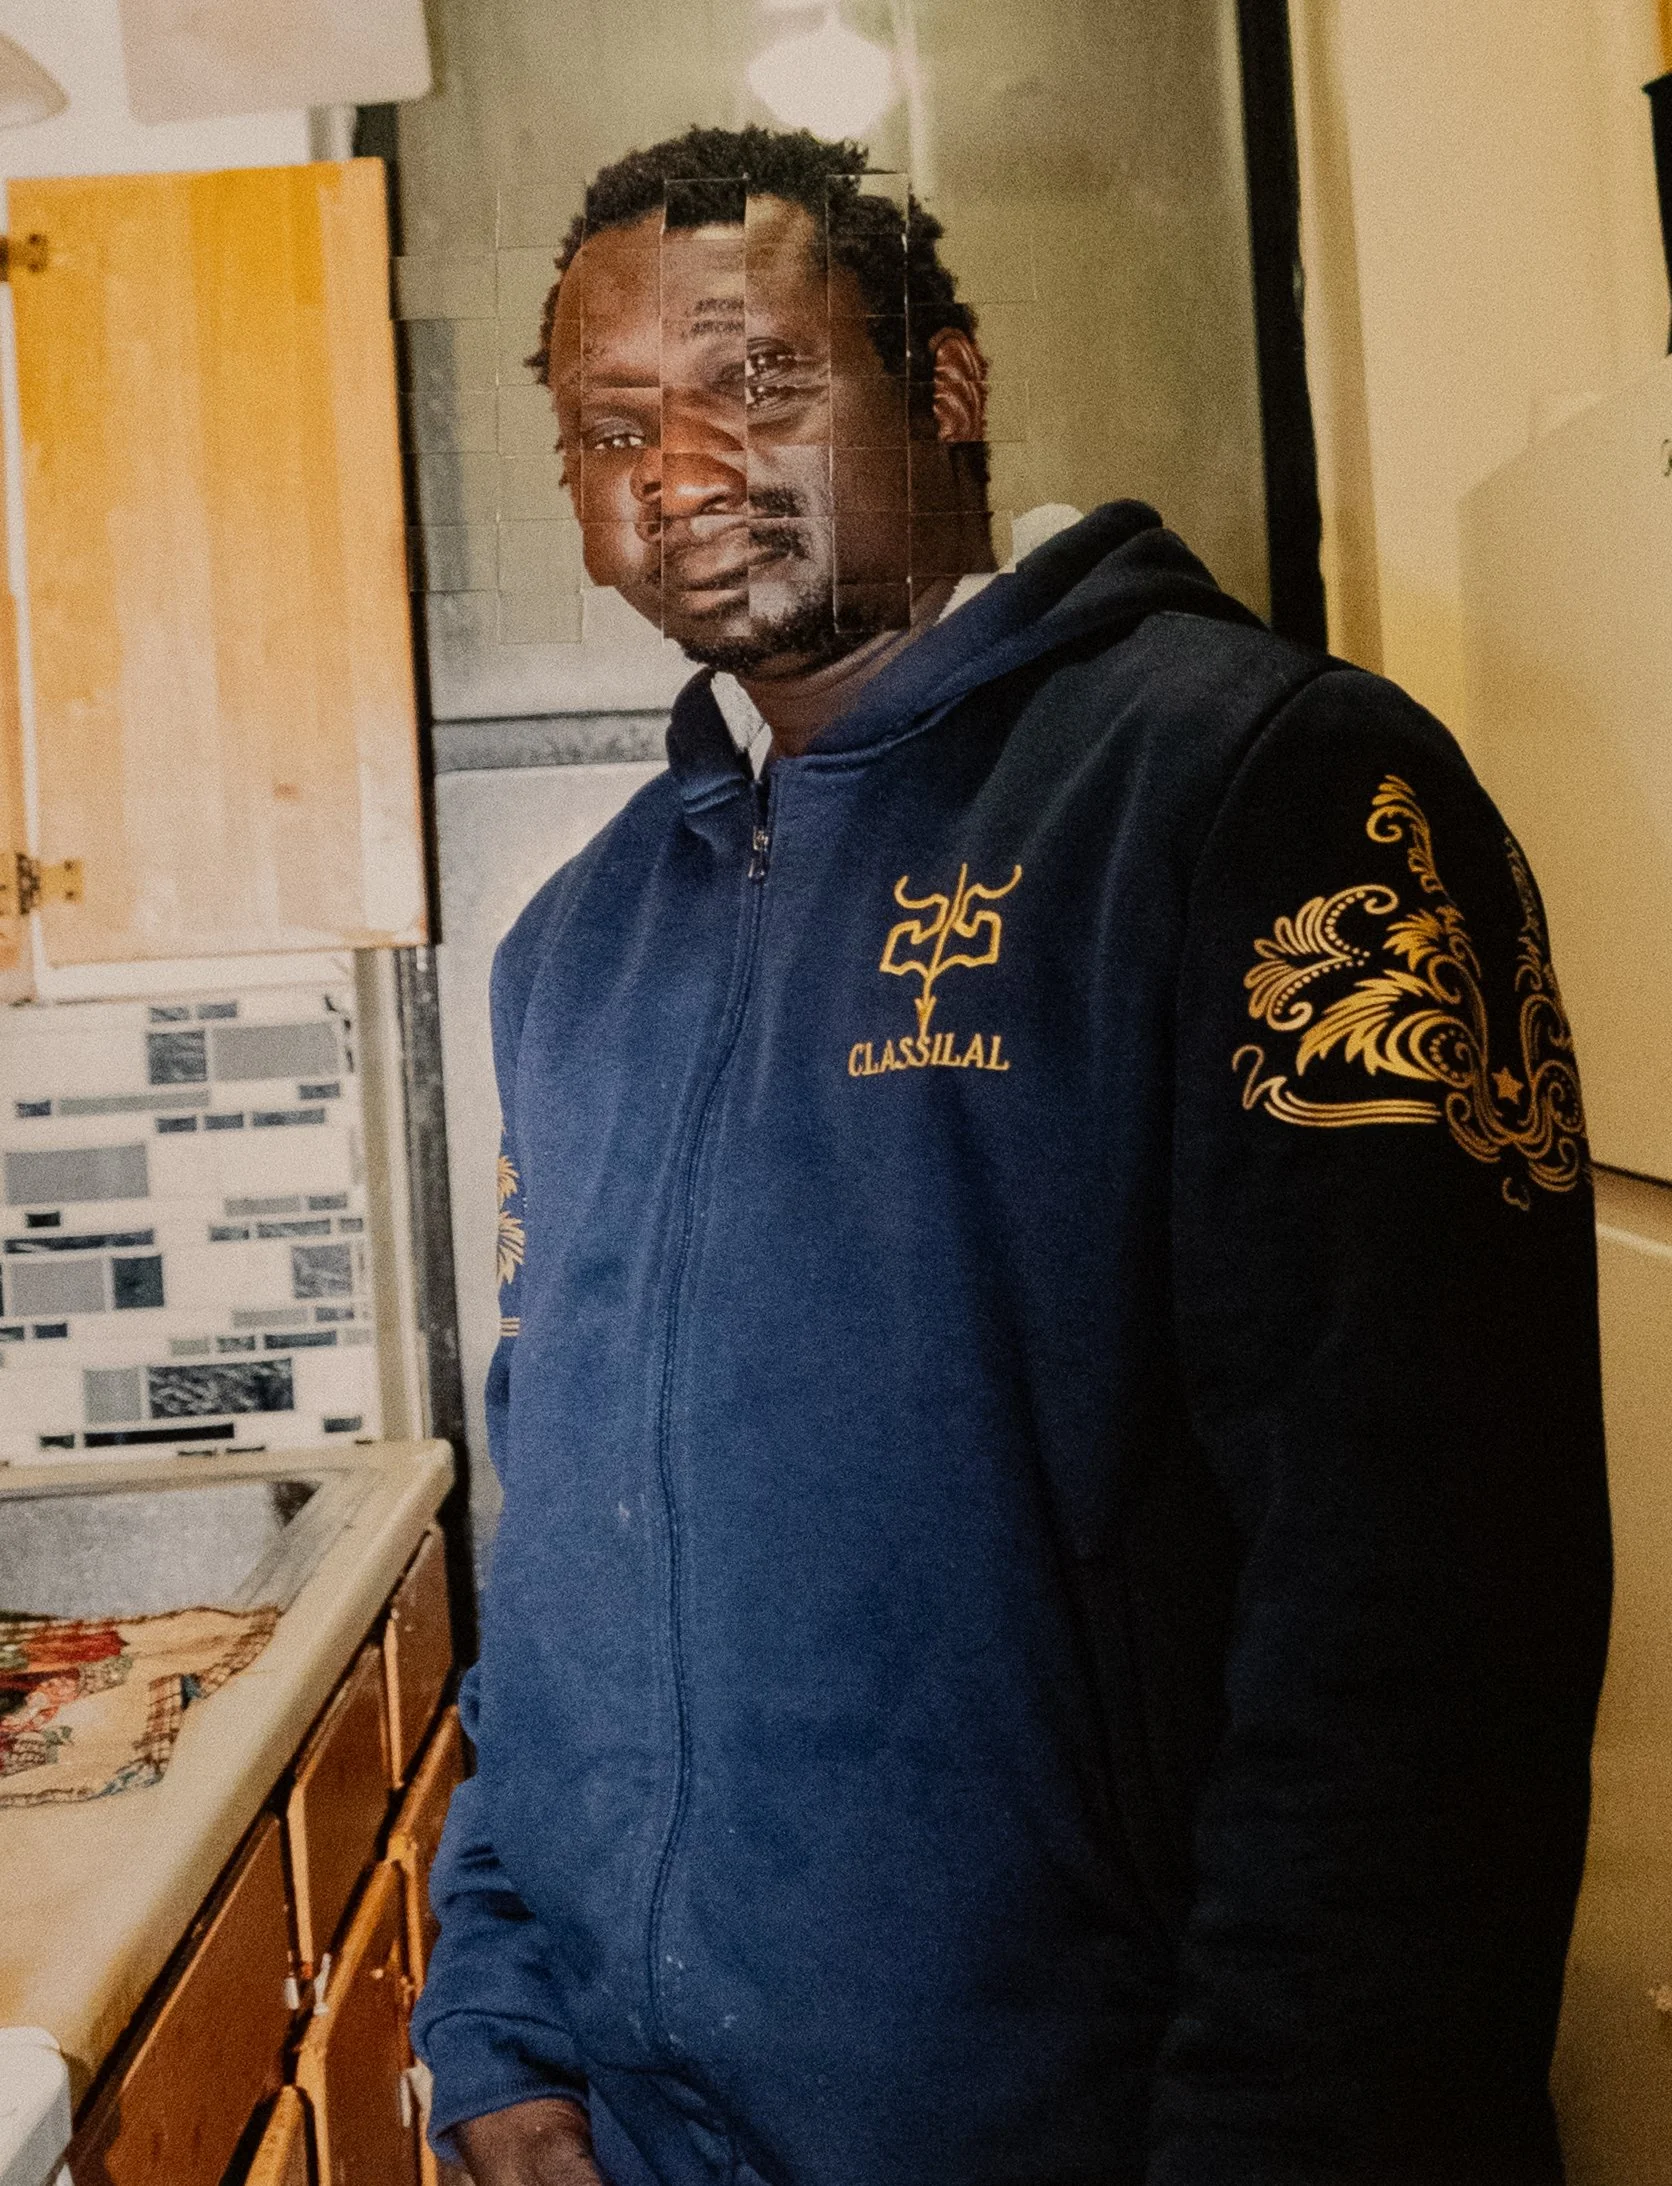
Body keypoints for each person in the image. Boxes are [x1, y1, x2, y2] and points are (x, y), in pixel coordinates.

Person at [412, 124, 1612, 2186]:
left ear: (945, 385)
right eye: (608, 429)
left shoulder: (1265, 794)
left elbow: (1423, 1625)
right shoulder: (575, 946)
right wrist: (502, 2016)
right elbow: (564, 1552)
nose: (677, 469)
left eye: (755, 378)